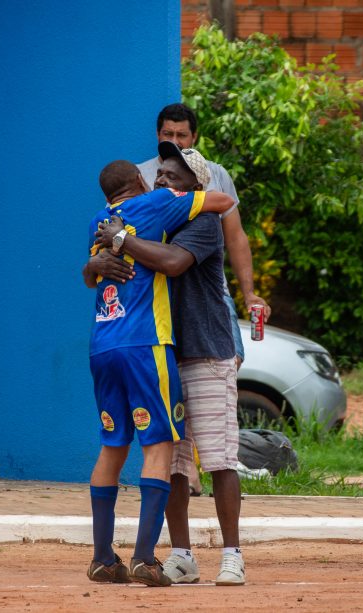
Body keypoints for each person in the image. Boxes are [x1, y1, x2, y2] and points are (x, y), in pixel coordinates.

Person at [95, 142, 248, 586]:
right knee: (177, 464)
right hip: (163, 354)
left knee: (219, 460)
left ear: (195, 186)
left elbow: (175, 264)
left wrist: (121, 241)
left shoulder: (202, 221)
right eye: (159, 173)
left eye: (172, 175)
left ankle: (231, 554)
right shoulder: (153, 221)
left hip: (206, 351)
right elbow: (100, 268)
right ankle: (182, 555)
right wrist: (103, 259)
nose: (161, 180)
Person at [137, 102, 271, 366]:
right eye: (168, 134)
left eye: (181, 135)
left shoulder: (216, 174)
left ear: (194, 137)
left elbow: (235, 237)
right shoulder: (139, 174)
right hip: (158, 293)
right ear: (157, 135)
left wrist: (250, 294)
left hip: (211, 294)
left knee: (230, 360)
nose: (174, 141)